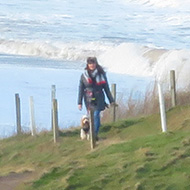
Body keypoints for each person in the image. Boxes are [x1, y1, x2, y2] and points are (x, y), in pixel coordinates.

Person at [78, 57, 114, 140]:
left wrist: (111, 100)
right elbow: (80, 89)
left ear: (96, 64)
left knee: (96, 115)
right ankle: (92, 134)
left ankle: (93, 135)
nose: (92, 65)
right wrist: (79, 102)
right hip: (88, 99)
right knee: (91, 116)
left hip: (99, 98)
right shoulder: (84, 76)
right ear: (87, 65)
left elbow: (106, 88)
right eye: (90, 63)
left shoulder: (101, 74)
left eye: (93, 63)